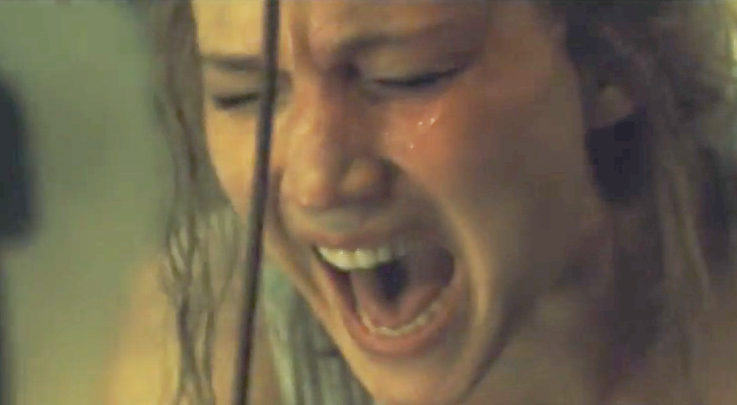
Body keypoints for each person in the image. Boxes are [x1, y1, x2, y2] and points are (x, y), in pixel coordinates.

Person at [108, 1, 737, 405]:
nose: (314, 182)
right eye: (242, 94)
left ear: (612, 71)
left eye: (406, 76)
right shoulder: (212, 341)